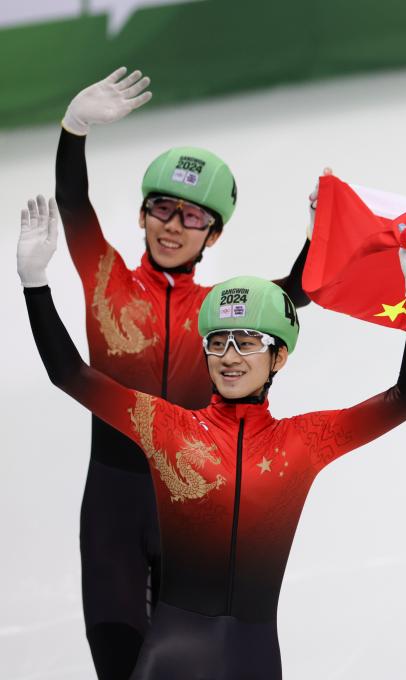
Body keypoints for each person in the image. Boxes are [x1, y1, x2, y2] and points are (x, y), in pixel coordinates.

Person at [19, 195, 406, 677]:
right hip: (170, 660)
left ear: (279, 357)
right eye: (217, 342)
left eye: (247, 342)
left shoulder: (306, 441)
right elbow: (71, 374)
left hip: (252, 658)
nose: (230, 356)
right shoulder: (164, 425)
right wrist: (35, 282)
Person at [54, 67, 314, 678]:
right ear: (141, 215)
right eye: (162, 209)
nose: (173, 226)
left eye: (193, 217)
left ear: (213, 235)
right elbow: (73, 205)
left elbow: (296, 291)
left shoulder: (221, 311)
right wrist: (74, 130)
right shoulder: (107, 281)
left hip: (193, 514)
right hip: (115, 511)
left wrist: (318, 237)